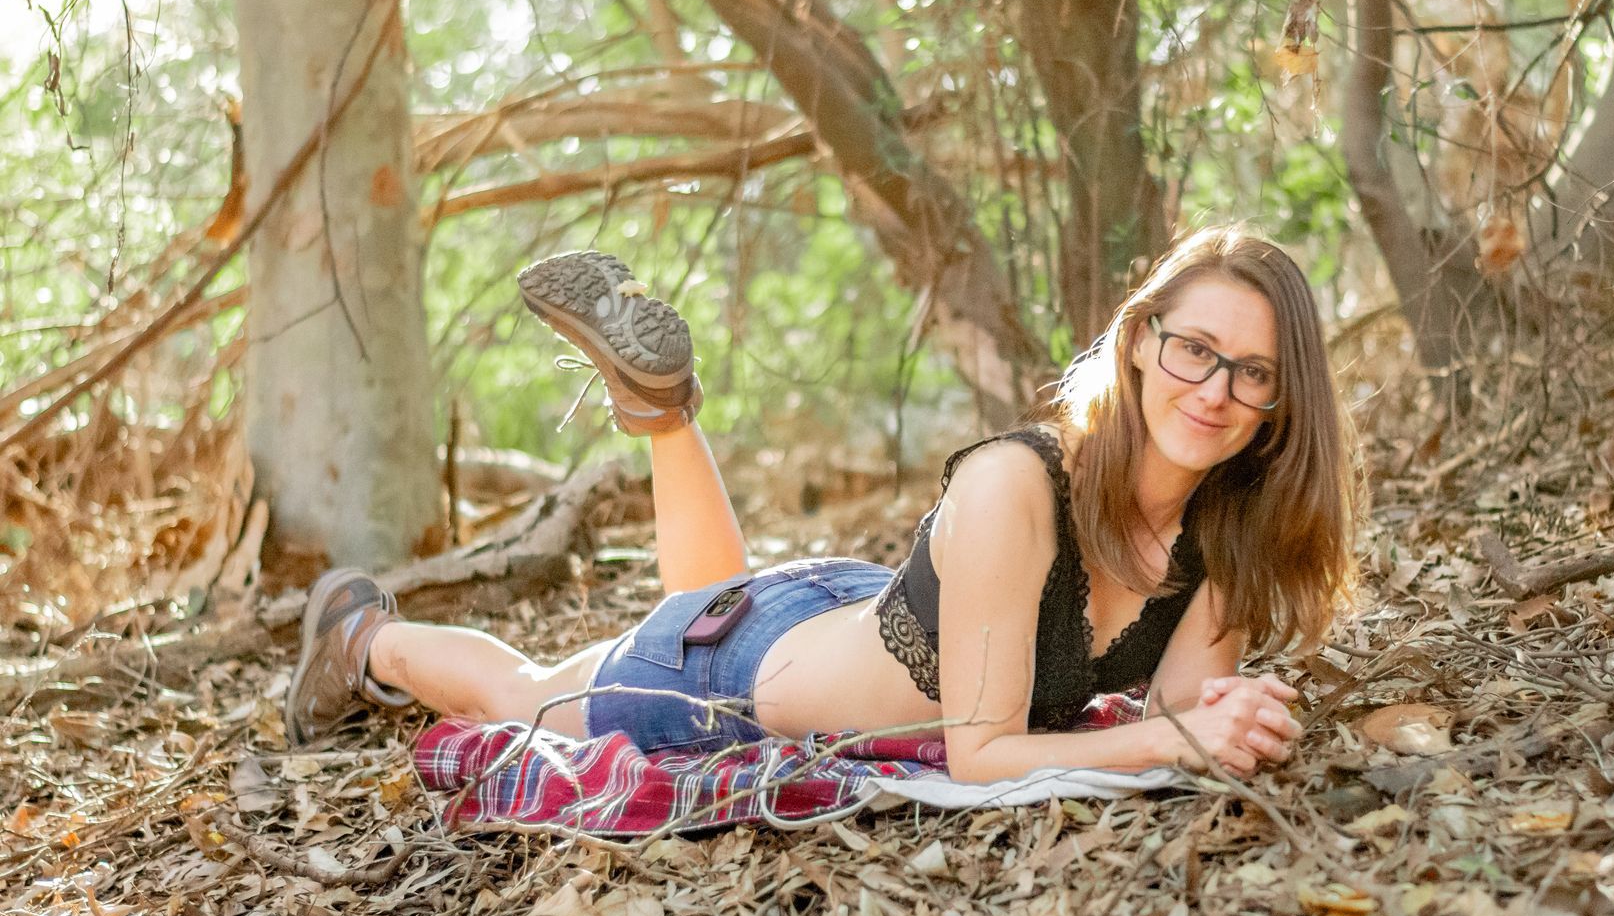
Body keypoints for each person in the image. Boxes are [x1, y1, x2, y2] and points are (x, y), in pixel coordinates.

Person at [285, 228, 1357, 783]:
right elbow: (985, 757)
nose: (1215, 390)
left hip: (841, 621)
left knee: (715, 599)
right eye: (1195, 350)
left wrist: (1215, 722)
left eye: (1253, 372)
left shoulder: (1225, 533)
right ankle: (362, 639)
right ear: (1137, 342)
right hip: (729, 686)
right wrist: (1171, 744)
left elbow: (1176, 715)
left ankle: (664, 415)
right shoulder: (1019, 483)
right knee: (525, 694)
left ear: (1281, 401)